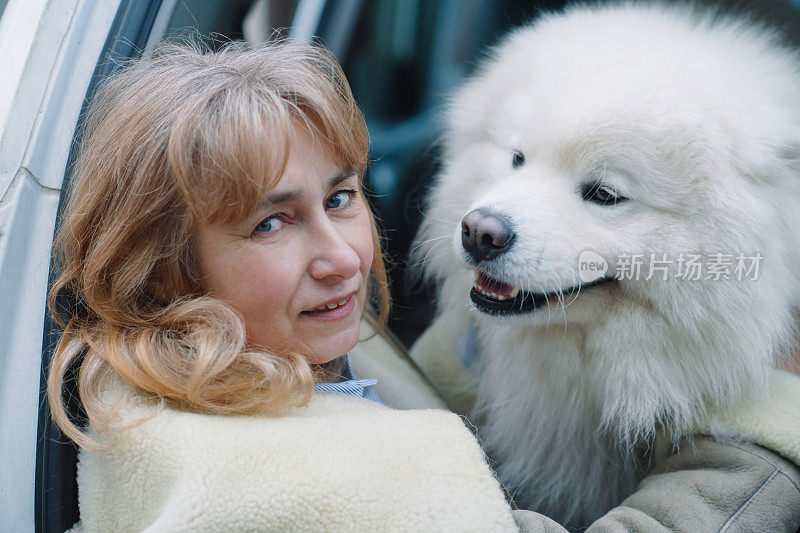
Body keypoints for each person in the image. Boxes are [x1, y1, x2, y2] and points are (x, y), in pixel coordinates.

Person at [47, 40, 800, 532]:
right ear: (165, 263)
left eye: (340, 198)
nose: (342, 256)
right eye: (271, 224)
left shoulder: (219, 359)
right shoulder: (278, 486)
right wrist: (765, 443)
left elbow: (398, 392)